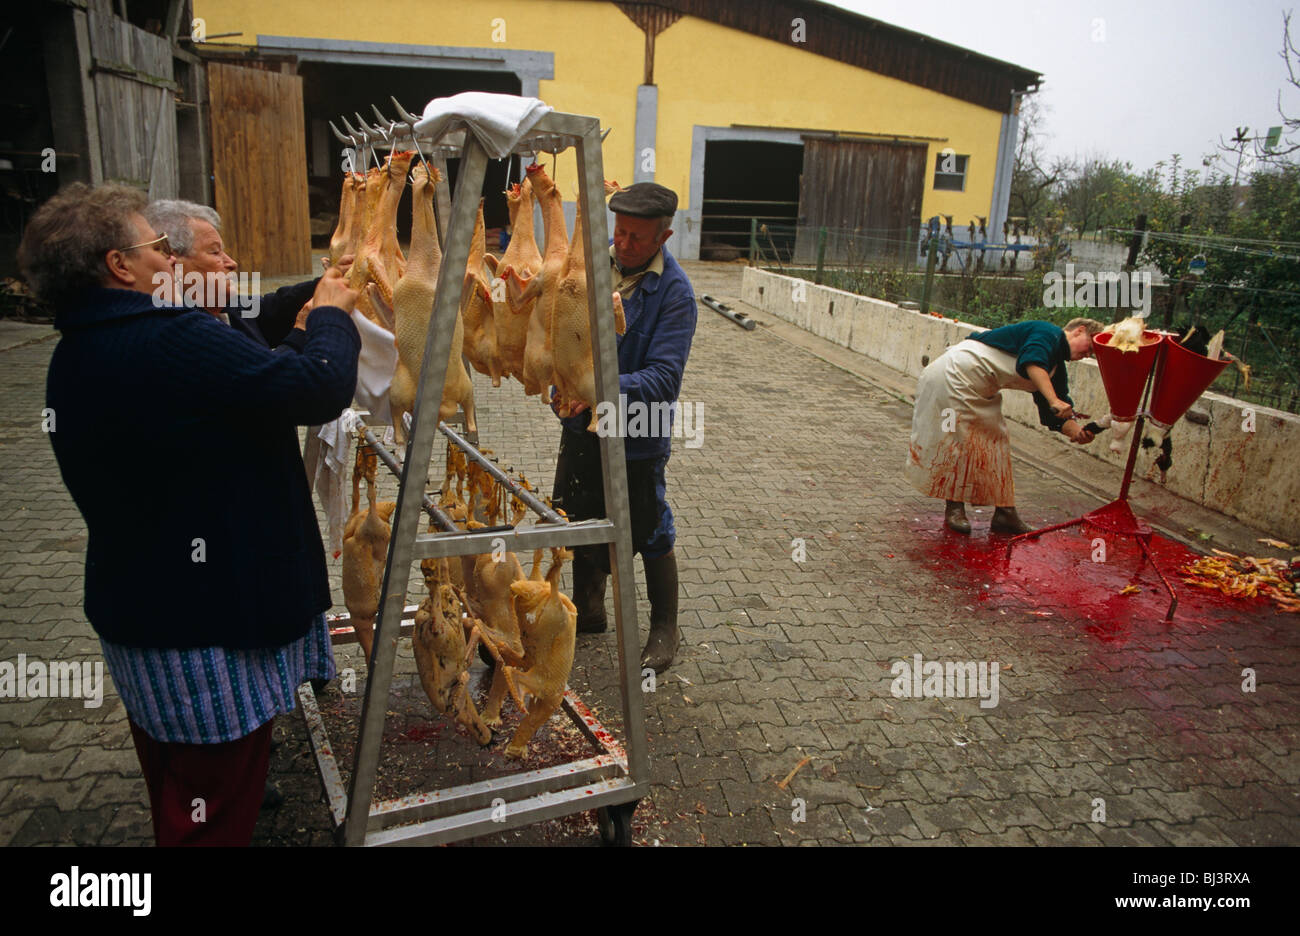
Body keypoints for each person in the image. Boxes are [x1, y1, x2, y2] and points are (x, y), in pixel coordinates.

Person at [19, 182, 360, 846]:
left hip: (143, 616)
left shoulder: (81, 346)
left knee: (178, 789)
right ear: (121, 266)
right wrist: (334, 318)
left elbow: (245, 335)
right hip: (207, 633)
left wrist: (313, 291)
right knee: (211, 808)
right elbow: (316, 385)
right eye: (155, 247)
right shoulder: (165, 338)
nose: (170, 259)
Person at [552, 182, 697, 673]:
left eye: (637, 237)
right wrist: (563, 384)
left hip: (638, 430)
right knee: (577, 512)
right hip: (583, 427)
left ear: (664, 236)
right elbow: (566, 339)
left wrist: (595, 388)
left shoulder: (674, 293)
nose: (625, 244)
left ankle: (663, 626)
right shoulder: (592, 269)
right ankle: (589, 611)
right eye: (620, 233)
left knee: (647, 525)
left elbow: (663, 378)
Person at [905, 318, 1104, 535]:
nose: (1089, 355)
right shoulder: (1048, 332)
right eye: (1090, 348)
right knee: (957, 440)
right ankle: (955, 507)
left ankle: (1004, 513)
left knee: (995, 444)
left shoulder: (1056, 367)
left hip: (979, 389)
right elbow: (1033, 362)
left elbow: (1054, 412)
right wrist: (1055, 400)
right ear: (1079, 331)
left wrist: (1077, 431)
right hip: (951, 375)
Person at [142, 199, 320, 350]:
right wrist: (301, 331)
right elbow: (266, 383)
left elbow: (276, 307)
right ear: (173, 262)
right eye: (214, 252)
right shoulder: (186, 333)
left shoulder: (223, 309)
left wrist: (330, 280)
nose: (232, 263)